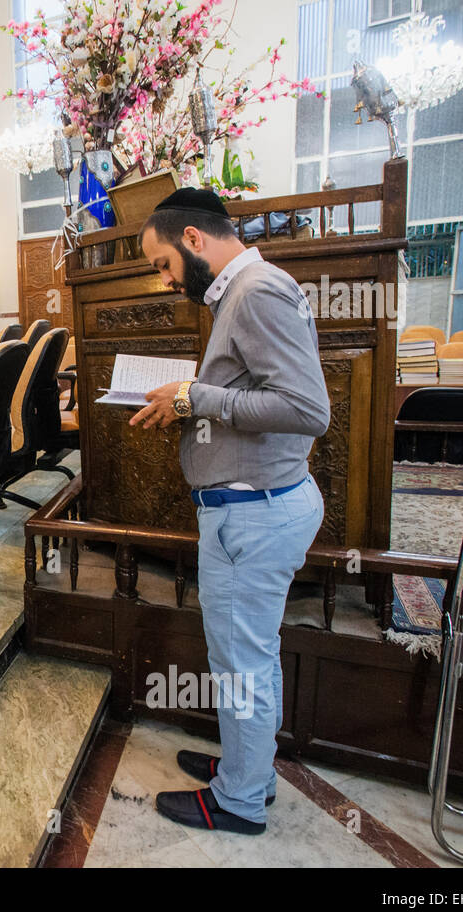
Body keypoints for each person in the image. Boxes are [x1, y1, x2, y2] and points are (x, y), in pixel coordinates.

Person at [129, 188, 330, 835]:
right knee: (250, 657)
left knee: (241, 664)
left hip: (255, 512)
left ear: (193, 239)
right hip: (252, 506)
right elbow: (246, 393)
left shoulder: (256, 291)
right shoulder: (247, 292)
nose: (165, 281)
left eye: (162, 263)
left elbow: (306, 410)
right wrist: (193, 401)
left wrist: (197, 397)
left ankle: (240, 801)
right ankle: (251, 771)